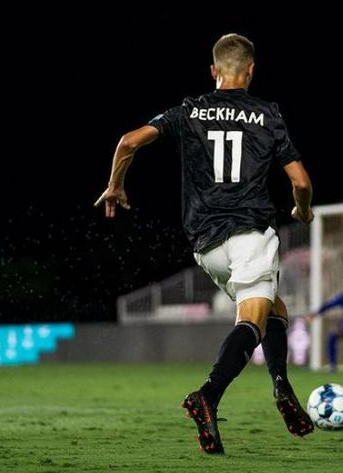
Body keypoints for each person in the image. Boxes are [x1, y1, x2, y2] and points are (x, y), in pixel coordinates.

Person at [95, 33, 314, 454]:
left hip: (205, 246)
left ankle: (281, 384)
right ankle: (209, 395)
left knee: (273, 306)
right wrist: (302, 210)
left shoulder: (189, 110)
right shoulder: (268, 115)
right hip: (249, 233)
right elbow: (301, 182)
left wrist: (115, 185)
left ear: (213, 72)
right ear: (251, 71)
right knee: (252, 317)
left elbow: (128, 141)